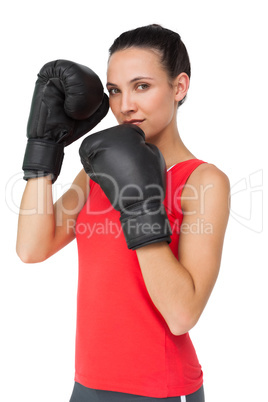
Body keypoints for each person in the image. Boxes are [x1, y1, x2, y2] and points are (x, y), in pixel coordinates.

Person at [16, 24, 230, 402]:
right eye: (114, 90)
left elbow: (183, 315)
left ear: (179, 87)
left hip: (159, 389)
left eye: (142, 86)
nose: (125, 105)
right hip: (87, 383)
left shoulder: (203, 181)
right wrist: (43, 149)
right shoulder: (98, 169)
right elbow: (32, 249)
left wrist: (139, 205)